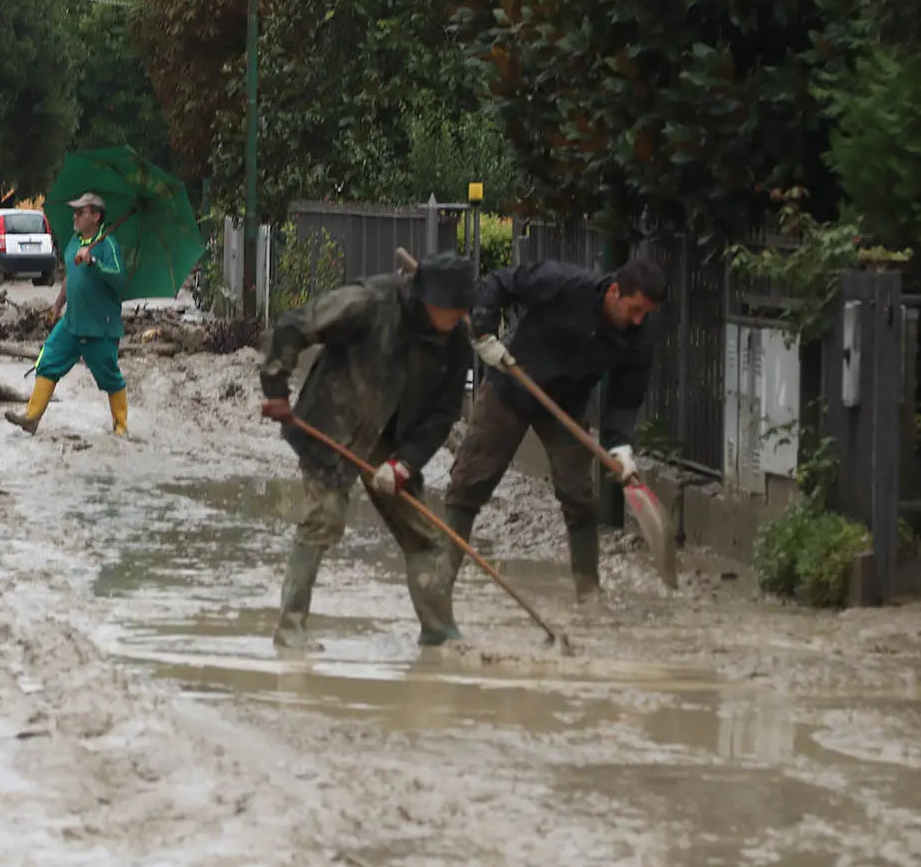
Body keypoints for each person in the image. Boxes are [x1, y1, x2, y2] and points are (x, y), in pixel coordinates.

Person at [258, 254, 477, 650]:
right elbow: (295, 325)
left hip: (392, 440)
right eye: (451, 308)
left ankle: (439, 631)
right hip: (333, 424)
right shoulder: (370, 302)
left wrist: (404, 462)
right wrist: (276, 389)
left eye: (462, 309)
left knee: (424, 533)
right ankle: (290, 629)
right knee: (324, 520)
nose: (457, 316)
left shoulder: (456, 340)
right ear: (428, 298)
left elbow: (443, 414)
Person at [445, 257, 667, 602]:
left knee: (580, 497)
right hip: (512, 386)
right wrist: (485, 331)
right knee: (469, 483)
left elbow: (624, 399)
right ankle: (441, 580)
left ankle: (588, 594)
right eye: (635, 309)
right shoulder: (564, 284)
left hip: (565, 406)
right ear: (614, 292)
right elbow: (500, 281)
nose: (637, 320)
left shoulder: (639, 338)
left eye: (645, 314)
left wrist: (620, 447)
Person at [12, 192, 129, 437]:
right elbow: (70, 278)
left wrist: (93, 261)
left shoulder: (108, 245)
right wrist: (58, 304)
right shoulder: (75, 241)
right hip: (71, 321)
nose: (74, 216)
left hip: (100, 326)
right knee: (48, 360)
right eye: (74, 211)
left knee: (109, 376)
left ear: (96, 216)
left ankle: (120, 428)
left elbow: (119, 280)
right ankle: (32, 417)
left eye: (80, 212)